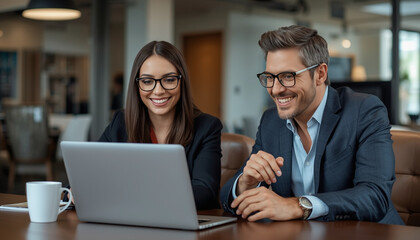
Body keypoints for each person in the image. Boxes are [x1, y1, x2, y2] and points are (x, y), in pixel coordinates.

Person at [220, 25, 404, 224]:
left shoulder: (364, 111)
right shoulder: (271, 121)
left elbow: (374, 196)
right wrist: (245, 184)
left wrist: (297, 205)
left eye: (288, 76)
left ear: (320, 74)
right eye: (270, 77)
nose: (275, 89)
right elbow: (226, 197)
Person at [98, 41, 222, 210]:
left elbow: (204, 192)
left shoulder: (207, 127)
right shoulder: (121, 122)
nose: (158, 91)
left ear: (182, 81)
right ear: (137, 85)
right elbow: (90, 176)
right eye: (148, 81)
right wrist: (76, 192)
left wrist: (135, 199)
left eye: (169, 79)